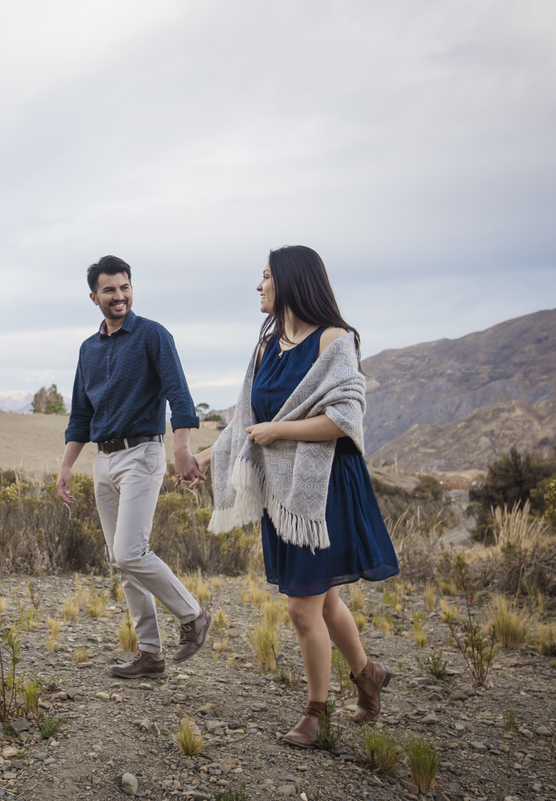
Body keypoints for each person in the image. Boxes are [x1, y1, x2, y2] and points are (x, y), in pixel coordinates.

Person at [193, 245, 399, 747]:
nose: (259, 286)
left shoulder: (334, 339)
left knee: (302, 609)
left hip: (322, 490)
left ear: (290, 281)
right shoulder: (267, 345)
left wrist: (279, 431)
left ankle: (316, 713)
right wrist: (207, 456)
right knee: (324, 600)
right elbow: (248, 419)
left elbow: (345, 419)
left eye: (265, 276)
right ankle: (368, 675)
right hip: (282, 492)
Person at [56, 255, 213, 679]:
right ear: (94, 297)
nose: (119, 295)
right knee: (121, 561)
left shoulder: (152, 335)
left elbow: (179, 394)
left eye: (124, 287)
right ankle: (150, 654)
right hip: (103, 460)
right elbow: (80, 415)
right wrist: (67, 465)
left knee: (130, 551)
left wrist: (182, 447)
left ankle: (193, 615)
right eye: (109, 289)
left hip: (142, 454)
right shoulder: (88, 350)